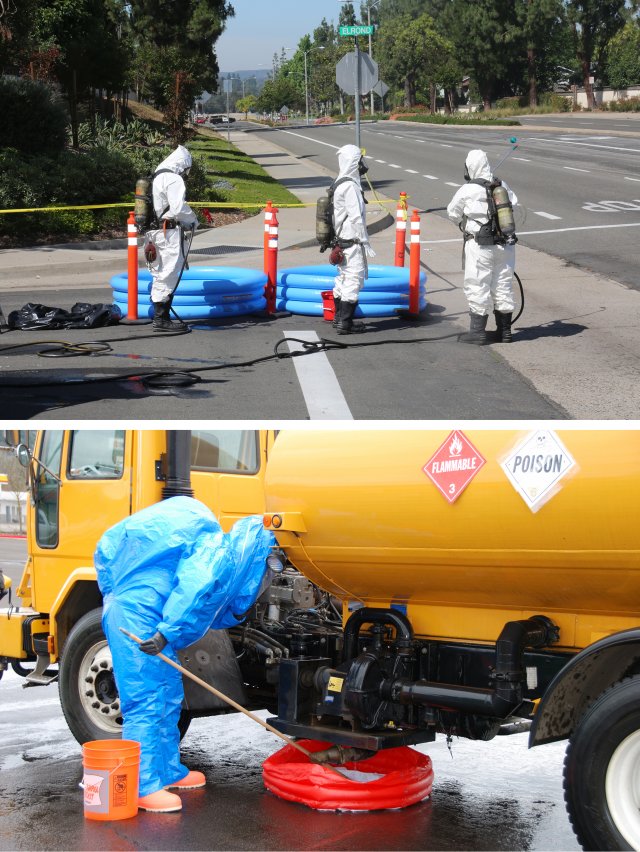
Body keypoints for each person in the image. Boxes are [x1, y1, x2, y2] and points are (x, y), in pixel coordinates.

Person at [94, 496, 275, 813]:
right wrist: (168, 633)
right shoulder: (219, 554)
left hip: (148, 614)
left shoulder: (215, 544)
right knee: (147, 700)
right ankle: (143, 784)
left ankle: (168, 771)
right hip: (138, 617)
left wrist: (166, 631)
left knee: (168, 694)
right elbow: (194, 588)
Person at [447, 149, 518, 344]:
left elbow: (452, 212)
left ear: (470, 167)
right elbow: (514, 203)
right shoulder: (502, 185)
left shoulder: (468, 189)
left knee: (477, 285)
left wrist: (464, 223)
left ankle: (477, 333)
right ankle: (505, 333)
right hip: (505, 246)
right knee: (503, 286)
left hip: (479, 246)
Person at [145, 145, 198, 332]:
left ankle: (161, 317)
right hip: (168, 234)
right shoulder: (173, 179)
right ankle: (161, 320)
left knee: (159, 273)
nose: (185, 174)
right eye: (186, 170)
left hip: (154, 234)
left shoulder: (156, 178)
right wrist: (193, 220)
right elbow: (178, 208)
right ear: (182, 166)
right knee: (168, 274)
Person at [331, 144, 376, 335]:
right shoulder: (350, 187)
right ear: (354, 162)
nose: (362, 165)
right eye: (359, 161)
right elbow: (356, 216)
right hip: (353, 242)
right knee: (353, 280)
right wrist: (365, 241)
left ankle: (338, 318)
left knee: (342, 279)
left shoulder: (339, 182)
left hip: (342, 242)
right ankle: (345, 323)